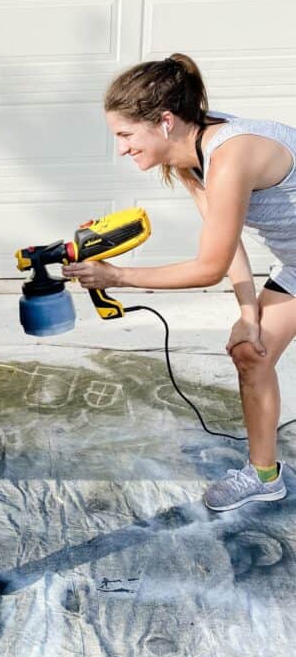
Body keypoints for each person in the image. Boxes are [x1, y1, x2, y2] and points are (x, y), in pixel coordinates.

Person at [63, 53, 296, 512]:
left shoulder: (232, 154)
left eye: (126, 134)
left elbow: (207, 266)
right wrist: (248, 315)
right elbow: (227, 249)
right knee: (251, 352)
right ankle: (264, 475)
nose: (122, 148)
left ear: (164, 121)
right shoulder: (191, 158)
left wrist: (119, 276)